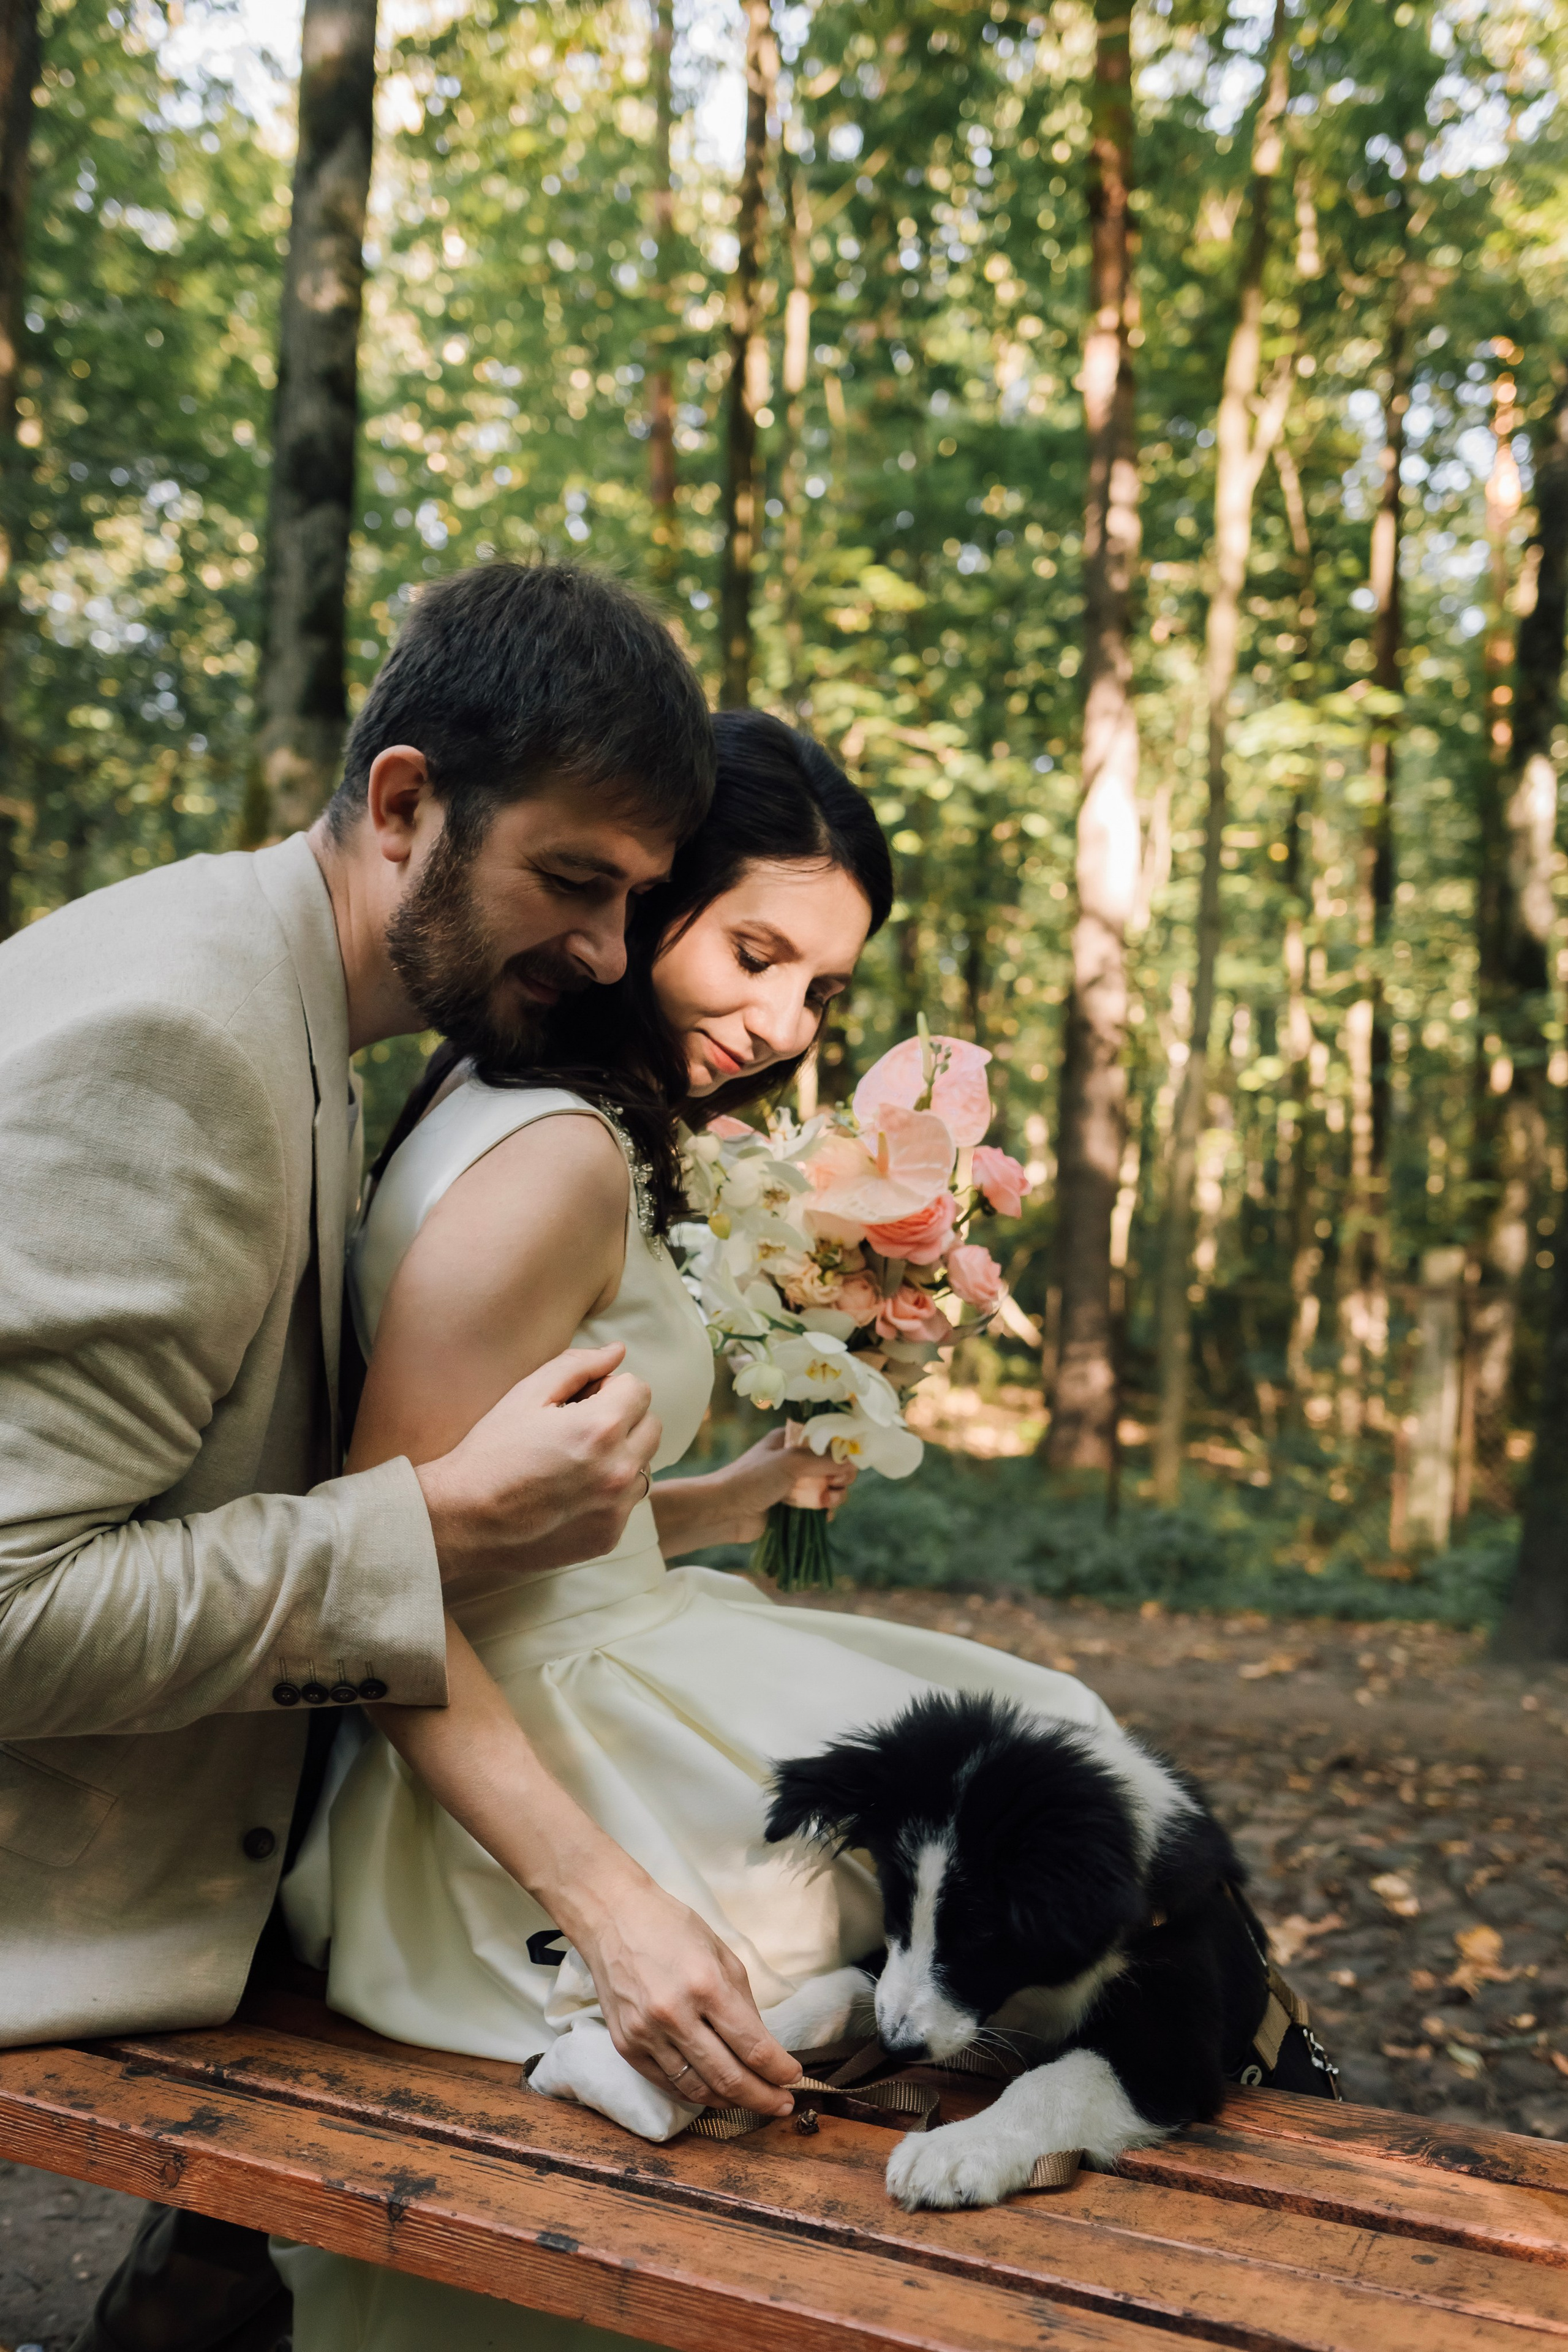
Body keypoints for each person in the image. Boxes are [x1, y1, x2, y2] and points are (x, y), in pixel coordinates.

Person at [0, 562, 801, 2352]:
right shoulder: (179, 1039)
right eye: (572, 883)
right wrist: (425, 1526)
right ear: (404, 802)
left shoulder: (289, 992)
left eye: (637, 900)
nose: (608, 955)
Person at [275, 709, 1118, 2350]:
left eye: (823, 991)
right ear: (647, 900)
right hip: (499, 1754)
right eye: (754, 952)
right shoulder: (556, 1162)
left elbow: (499, 1518)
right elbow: (379, 1583)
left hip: (597, 1644)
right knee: (1020, 1806)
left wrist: (730, 1500)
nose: (783, 1023)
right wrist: (609, 1904)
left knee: (1031, 1765)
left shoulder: (555, 1117)